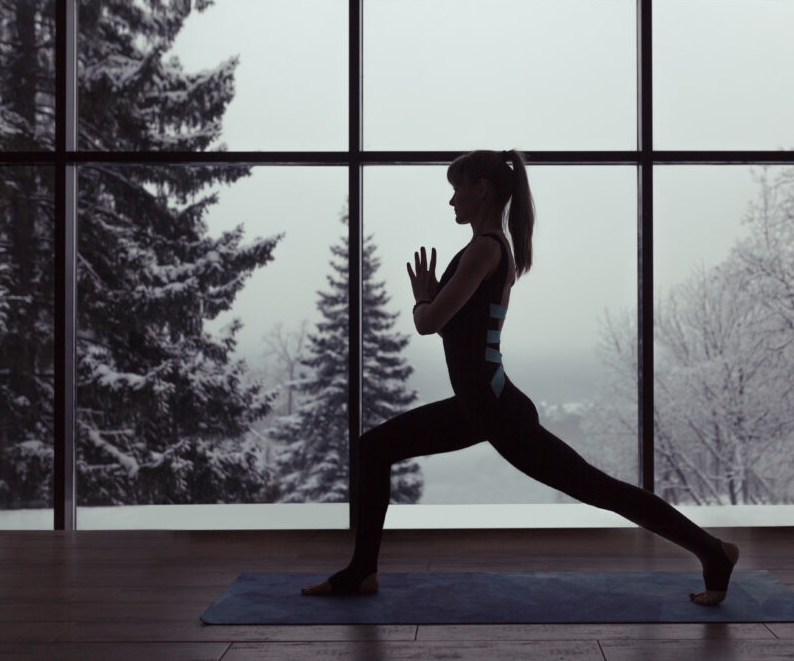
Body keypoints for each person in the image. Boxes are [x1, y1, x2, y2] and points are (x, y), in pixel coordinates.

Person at [302, 149, 739, 606]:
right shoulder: (490, 247)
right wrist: (432, 301)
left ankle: (715, 552)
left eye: (456, 189)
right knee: (374, 448)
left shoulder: (485, 249)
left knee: (599, 489)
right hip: (480, 406)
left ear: (481, 189)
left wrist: (422, 299)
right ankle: (362, 572)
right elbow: (459, 330)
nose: (451, 200)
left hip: (495, 411)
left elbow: (428, 323)